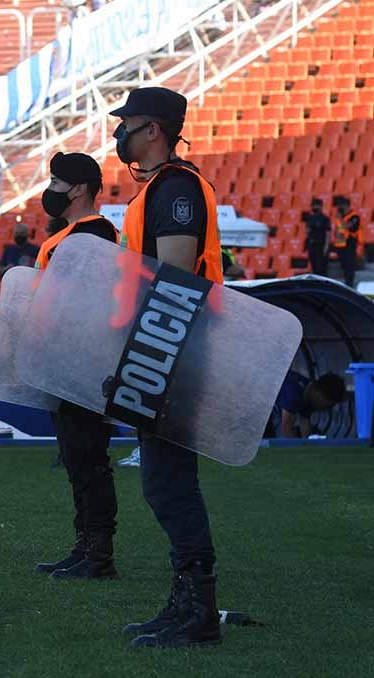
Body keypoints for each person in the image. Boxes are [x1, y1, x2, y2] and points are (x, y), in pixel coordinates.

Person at [110, 86, 225, 648]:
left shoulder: (176, 187)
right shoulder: (162, 187)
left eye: (127, 123)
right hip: (168, 348)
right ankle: (187, 600)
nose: (120, 133)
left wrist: (145, 357)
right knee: (166, 481)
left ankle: (198, 611)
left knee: (169, 483)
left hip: (175, 350)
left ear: (152, 128)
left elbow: (175, 274)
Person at [30, 152, 122, 579]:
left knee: (88, 459)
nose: (50, 189)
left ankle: (98, 552)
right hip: (64, 360)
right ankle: (84, 545)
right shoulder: (70, 233)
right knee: (75, 458)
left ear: (80, 188)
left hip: (85, 361)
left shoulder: (96, 234)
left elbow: (86, 301)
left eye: (56, 181)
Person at [274, 371, 347, 438]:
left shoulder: (307, 393)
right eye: (327, 406)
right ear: (319, 394)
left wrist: (306, 446)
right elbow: (286, 427)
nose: (324, 409)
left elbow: (305, 425)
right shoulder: (293, 392)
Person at [331, 196, 360, 288]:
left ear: (345, 205)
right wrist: (336, 234)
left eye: (340, 205)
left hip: (350, 244)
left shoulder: (354, 216)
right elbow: (337, 228)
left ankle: (350, 286)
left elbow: (349, 226)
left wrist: (340, 219)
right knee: (344, 267)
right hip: (340, 245)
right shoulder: (339, 216)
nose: (338, 208)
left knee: (349, 267)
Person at [302, 197, 331, 276]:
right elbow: (307, 231)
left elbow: (328, 234)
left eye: (315, 206)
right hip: (312, 245)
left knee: (321, 268)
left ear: (320, 206)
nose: (313, 207)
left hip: (321, 245)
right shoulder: (309, 218)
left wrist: (326, 247)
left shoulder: (325, 219)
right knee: (314, 266)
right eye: (312, 206)